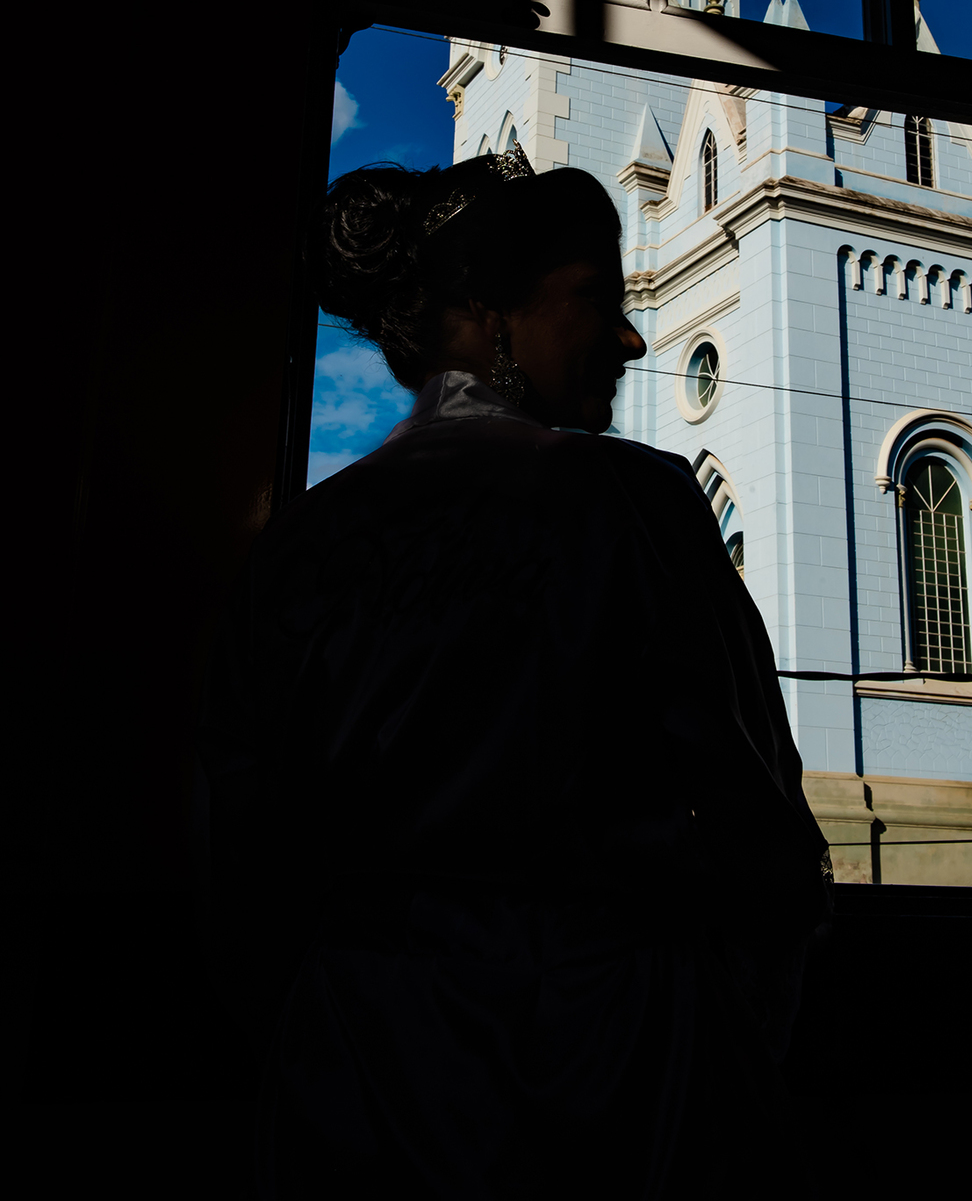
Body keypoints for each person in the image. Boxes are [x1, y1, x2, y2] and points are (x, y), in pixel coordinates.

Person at [199, 146, 831, 1200]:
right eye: (588, 298)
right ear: (492, 320)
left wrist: (343, 1023)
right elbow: (758, 828)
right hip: (621, 1076)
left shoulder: (303, 546)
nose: (630, 336)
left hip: (361, 1084)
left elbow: (238, 864)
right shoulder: (638, 506)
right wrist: (711, 1039)